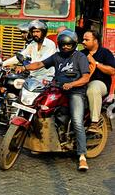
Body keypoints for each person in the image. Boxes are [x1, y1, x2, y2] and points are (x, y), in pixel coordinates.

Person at [16, 29, 90, 171]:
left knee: (77, 121)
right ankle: (41, 142)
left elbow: (86, 78)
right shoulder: (56, 56)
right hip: (57, 89)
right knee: (40, 108)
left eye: (68, 45)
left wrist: (72, 84)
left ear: (74, 44)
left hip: (75, 92)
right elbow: (39, 64)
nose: (65, 47)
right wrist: (24, 67)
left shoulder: (80, 57)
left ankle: (82, 156)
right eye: (63, 45)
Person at [81, 30, 115, 133]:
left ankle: (95, 122)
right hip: (82, 83)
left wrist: (95, 63)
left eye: (87, 40)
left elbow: (112, 70)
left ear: (95, 41)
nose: (83, 42)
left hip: (100, 84)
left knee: (93, 88)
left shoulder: (105, 53)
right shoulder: (81, 54)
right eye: (83, 39)